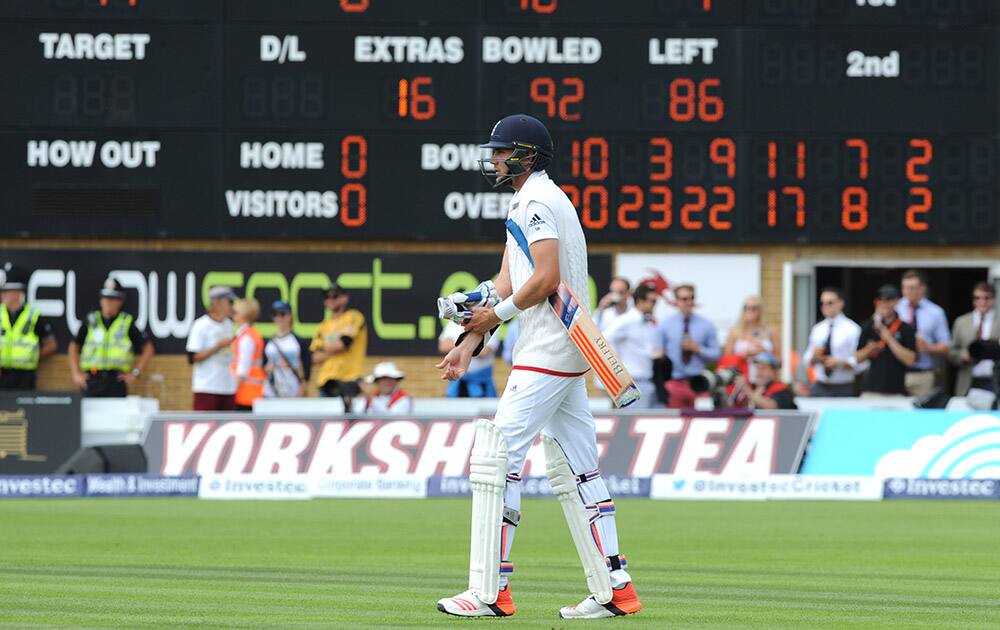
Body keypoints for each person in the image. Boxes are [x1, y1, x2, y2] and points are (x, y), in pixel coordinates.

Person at [435, 114, 641, 619]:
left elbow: (545, 277)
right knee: (579, 469)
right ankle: (616, 588)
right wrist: (470, 335)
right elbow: (506, 283)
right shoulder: (533, 201)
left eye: (502, 152)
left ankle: (489, 592)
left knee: (495, 460)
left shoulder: (537, 202)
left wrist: (497, 314)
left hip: (547, 352)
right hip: (563, 351)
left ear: (526, 155)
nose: (494, 159)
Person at [69, 276, 154, 398]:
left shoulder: (126, 322)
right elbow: (73, 346)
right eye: (105, 297)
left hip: (116, 380)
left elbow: (148, 348)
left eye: (113, 298)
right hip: (92, 379)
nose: (108, 301)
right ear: (100, 300)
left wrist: (135, 373)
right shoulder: (91, 320)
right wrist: (76, 373)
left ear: (120, 301)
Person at [658, 283, 721, 408]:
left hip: (699, 383)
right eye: (684, 299)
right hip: (675, 382)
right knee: (674, 422)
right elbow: (659, 352)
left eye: (691, 298)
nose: (688, 302)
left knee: (701, 421)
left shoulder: (706, 325)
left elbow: (716, 355)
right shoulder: (665, 324)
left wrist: (698, 349)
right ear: (676, 301)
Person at [602, 284, 663, 409]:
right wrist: (616, 366)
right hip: (631, 382)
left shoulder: (648, 322)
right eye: (652, 301)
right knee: (633, 423)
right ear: (640, 301)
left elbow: (647, 349)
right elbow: (603, 339)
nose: (654, 305)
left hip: (649, 380)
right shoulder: (627, 320)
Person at [0, 263, 56, 390]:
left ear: (17, 293)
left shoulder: (33, 317)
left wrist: (33, 357)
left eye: (6, 291)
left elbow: (51, 344)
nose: (2, 295)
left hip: (24, 377)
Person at [311, 284, 367, 411]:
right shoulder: (323, 325)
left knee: (348, 425)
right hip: (325, 383)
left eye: (335, 296)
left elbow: (344, 343)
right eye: (327, 296)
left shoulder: (353, 316)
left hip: (349, 381)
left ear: (345, 298)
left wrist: (324, 348)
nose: (330, 299)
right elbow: (314, 358)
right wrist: (335, 348)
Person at [856, 285, 917, 398]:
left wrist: (888, 338)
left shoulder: (906, 329)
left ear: (896, 302)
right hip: (871, 390)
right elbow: (856, 358)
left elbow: (910, 360)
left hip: (896, 390)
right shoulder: (868, 326)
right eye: (881, 301)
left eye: (888, 300)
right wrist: (870, 349)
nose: (884, 304)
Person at [897, 270, 950, 397]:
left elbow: (946, 345)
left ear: (922, 289)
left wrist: (928, 348)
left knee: (922, 412)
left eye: (912, 288)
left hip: (923, 373)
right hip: (897, 373)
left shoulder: (935, 312)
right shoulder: (895, 308)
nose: (907, 292)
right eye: (904, 288)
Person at [802, 287, 861, 397]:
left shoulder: (852, 329)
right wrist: (815, 357)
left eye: (830, 303)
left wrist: (840, 363)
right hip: (819, 386)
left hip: (843, 387)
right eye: (822, 303)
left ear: (841, 303)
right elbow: (807, 358)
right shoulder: (818, 329)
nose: (825, 306)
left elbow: (861, 362)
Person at [185, 286, 236, 411]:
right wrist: (217, 346)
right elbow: (193, 357)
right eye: (229, 302)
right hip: (207, 387)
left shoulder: (230, 324)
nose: (232, 306)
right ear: (217, 302)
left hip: (228, 387)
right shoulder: (201, 325)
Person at [949, 282, 999, 395]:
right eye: (977, 298)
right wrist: (963, 355)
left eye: (986, 298)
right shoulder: (961, 322)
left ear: (994, 299)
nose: (982, 302)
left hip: (993, 380)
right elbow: (951, 351)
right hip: (968, 380)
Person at [439, 319, 500, 397]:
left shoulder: (490, 322)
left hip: (481, 382)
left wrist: (459, 346)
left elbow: (484, 351)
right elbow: (444, 346)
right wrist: (469, 345)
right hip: (457, 381)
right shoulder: (454, 323)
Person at [264, 300, 310, 398]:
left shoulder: (299, 342)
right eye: (275, 314)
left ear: (290, 316)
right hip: (271, 391)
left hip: (294, 390)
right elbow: (263, 364)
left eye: (283, 314)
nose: (279, 318)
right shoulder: (269, 343)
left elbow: (307, 367)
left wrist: (303, 389)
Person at [727, 352, 797, 410]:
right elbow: (730, 407)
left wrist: (747, 391)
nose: (759, 372)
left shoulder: (781, 389)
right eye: (757, 367)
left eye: (763, 368)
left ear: (774, 371)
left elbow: (773, 407)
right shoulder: (750, 386)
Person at [231, 298, 265, 411]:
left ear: (244, 315)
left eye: (236, 313)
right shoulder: (249, 334)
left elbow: (242, 370)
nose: (233, 315)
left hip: (245, 394)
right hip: (251, 393)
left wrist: (232, 391)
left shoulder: (247, 338)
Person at [723, 295, 779, 361]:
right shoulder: (734, 332)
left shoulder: (771, 330)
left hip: (763, 370)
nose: (749, 311)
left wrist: (765, 352)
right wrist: (744, 355)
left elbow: (779, 360)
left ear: (761, 310)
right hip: (742, 370)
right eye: (746, 308)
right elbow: (727, 359)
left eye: (754, 308)